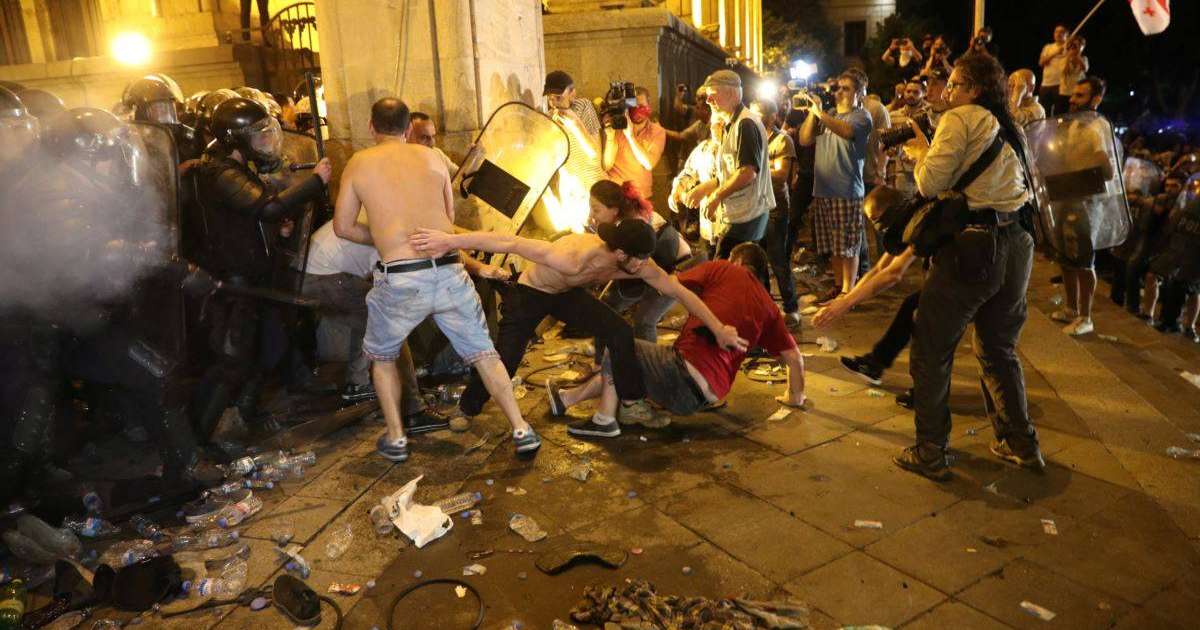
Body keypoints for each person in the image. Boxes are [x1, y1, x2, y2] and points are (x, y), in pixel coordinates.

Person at [331, 97, 540, 462]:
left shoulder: (359, 162)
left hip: (400, 279)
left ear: (371, 127)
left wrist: (386, 239)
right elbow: (447, 218)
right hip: (448, 271)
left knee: (383, 358)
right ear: (408, 128)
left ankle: (396, 437)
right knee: (483, 354)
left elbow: (343, 227)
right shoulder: (432, 157)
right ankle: (521, 428)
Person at [409, 216, 750, 427]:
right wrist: (450, 241)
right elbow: (508, 241)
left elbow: (679, 291)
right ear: (620, 253)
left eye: (646, 259)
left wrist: (718, 328)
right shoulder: (572, 256)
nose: (643, 266)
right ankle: (467, 410)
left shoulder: (638, 263)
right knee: (507, 359)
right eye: (638, 259)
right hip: (531, 292)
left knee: (619, 330)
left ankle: (631, 404)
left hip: (566, 294)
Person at [897, 52, 1043, 480]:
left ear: (974, 90)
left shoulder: (960, 119)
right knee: (998, 346)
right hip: (1017, 243)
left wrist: (921, 152)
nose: (947, 92)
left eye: (955, 85)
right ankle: (1020, 442)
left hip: (975, 246)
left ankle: (930, 450)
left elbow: (929, 183)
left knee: (931, 345)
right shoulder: (1009, 125)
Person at [188, 98, 333, 443]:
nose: (265, 142)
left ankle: (244, 414)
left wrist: (274, 231)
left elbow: (247, 218)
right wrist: (315, 181)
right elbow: (267, 208)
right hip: (234, 283)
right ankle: (198, 440)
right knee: (232, 362)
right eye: (257, 135)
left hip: (253, 276)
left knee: (268, 347)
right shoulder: (222, 173)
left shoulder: (237, 167)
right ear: (235, 139)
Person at [548, 243, 805, 437]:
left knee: (619, 342)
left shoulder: (724, 269)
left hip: (681, 373)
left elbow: (669, 284)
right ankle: (565, 398)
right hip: (702, 398)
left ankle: (604, 420)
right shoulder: (770, 309)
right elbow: (795, 359)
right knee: (629, 366)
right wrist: (794, 397)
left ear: (735, 260)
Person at [798, 70, 872, 302]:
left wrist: (820, 113)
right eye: (837, 88)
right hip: (823, 190)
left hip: (846, 190)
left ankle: (848, 292)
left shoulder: (861, 116)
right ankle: (839, 286)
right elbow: (804, 139)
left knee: (848, 245)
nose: (839, 92)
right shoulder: (827, 115)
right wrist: (814, 113)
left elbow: (846, 132)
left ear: (859, 93)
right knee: (833, 245)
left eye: (846, 88)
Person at [686, 70, 775, 260]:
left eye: (712, 94)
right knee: (743, 269)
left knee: (726, 268)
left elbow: (747, 172)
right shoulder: (732, 124)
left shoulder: (745, 124)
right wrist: (706, 188)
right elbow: (730, 172)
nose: (708, 100)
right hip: (742, 213)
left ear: (732, 94)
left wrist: (716, 196)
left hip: (746, 214)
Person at [592, 180, 689, 344]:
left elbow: (634, 268)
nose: (592, 215)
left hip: (679, 267)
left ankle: (646, 358)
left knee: (644, 321)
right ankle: (609, 353)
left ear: (614, 210)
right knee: (608, 305)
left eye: (596, 210)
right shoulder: (623, 222)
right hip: (659, 265)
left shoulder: (635, 227)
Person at [1048, 76, 1108, 337]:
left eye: (1080, 95)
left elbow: (1107, 170)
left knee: (1083, 260)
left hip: (1087, 202)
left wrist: (1091, 165)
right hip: (1065, 196)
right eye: (1073, 94)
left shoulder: (1097, 128)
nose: (1072, 99)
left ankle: (1086, 317)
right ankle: (1071, 308)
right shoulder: (1073, 125)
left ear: (1096, 99)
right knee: (1066, 257)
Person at [751, 98, 800, 326]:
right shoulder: (752, 139)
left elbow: (781, 176)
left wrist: (752, 170)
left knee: (778, 260)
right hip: (754, 207)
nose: (754, 119)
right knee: (757, 260)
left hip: (775, 208)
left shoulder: (783, 140)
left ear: (771, 117)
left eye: (759, 114)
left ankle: (791, 308)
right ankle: (765, 307)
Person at [603, 86, 667, 201]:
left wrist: (630, 136)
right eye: (633, 106)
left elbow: (649, 163)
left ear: (649, 106)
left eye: (641, 106)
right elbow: (607, 165)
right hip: (616, 193)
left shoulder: (657, 131)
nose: (637, 110)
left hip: (641, 196)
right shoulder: (617, 127)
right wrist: (610, 137)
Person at [406, 111, 460, 177]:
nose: (432, 142)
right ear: (406, 135)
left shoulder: (437, 153)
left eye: (433, 136)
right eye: (424, 137)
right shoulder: (400, 164)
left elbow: (460, 176)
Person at [1038, 25, 1069, 115]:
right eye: (1056, 32)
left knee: (1059, 113)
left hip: (1061, 85)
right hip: (1046, 84)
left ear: (1067, 34)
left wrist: (1067, 47)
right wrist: (1056, 52)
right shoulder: (1048, 47)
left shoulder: (1070, 48)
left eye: (1061, 32)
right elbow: (1041, 62)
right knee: (1044, 111)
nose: (1058, 34)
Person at [1057, 37, 1089, 117]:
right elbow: (1064, 71)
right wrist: (1068, 56)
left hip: (1077, 92)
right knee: (1061, 115)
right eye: (1074, 45)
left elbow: (1085, 68)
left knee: (1075, 115)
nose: (1075, 47)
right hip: (1064, 92)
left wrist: (1077, 55)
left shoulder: (1084, 59)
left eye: (1079, 45)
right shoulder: (1063, 58)